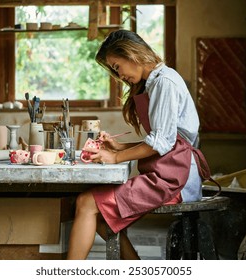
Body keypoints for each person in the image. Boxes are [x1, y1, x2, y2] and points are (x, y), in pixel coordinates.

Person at [67, 30, 213, 260]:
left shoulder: (165, 82)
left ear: (131, 54)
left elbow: (162, 142)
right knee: (94, 211)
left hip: (177, 180)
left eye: (117, 67)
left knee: (86, 203)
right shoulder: (155, 82)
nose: (119, 75)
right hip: (169, 170)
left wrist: (115, 158)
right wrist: (119, 147)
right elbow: (163, 140)